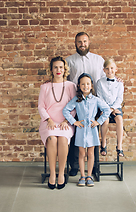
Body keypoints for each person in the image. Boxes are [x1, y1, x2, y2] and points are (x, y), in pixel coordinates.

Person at [66, 32, 105, 176]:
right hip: (76, 101)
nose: (82, 44)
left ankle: (93, 167)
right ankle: (75, 165)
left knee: (93, 132)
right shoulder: (69, 60)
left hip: (94, 101)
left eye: (84, 41)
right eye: (79, 42)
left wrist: (116, 79)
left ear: (89, 42)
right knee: (76, 132)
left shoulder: (98, 60)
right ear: (75, 43)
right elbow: (64, 80)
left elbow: (104, 79)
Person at [63, 73, 110, 186]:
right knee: (81, 153)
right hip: (81, 128)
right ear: (79, 86)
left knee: (91, 153)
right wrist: (74, 122)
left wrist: (98, 122)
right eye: (83, 84)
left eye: (88, 84)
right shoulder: (76, 99)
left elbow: (107, 110)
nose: (85, 86)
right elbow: (66, 110)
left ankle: (89, 175)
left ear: (91, 86)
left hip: (92, 129)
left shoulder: (96, 99)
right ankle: (82, 176)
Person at [38, 56, 76, 190]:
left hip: (65, 122)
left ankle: (61, 173)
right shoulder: (45, 87)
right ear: (51, 70)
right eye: (55, 67)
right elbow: (41, 106)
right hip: (49, 122)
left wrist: (67, 120)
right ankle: (52, 173)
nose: (58, 70)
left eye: (61, 67)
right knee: (52, 139)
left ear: (65, 69)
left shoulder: (71, 86)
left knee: (63, 139)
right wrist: (48, 119)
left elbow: (75, 106)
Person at [97, 58, 124, 157]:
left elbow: (119, 98)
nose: (110, 71)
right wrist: (107, 109)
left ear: (116, 69)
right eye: (107, 68)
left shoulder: (119, 83)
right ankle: (103, 143)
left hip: (116, 107)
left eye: (112, 68)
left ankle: (119, 146)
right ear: (104, 70)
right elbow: (99, 97)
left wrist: (112, 108)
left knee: (119, 119)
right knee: (105, 120)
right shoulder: (100, 82)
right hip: (104, 108)